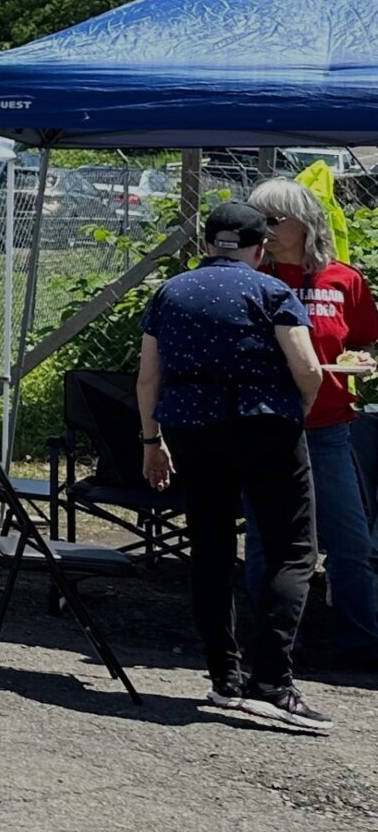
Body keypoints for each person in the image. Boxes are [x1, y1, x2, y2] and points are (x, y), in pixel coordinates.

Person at [138, 201, 331, 733]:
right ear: (259, 248)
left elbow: (149, 377)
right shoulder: (272, 292)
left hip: (190, 426)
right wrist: (299, 407)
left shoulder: (169, 292)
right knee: (292, 548)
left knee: (211, 545)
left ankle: (224, 676)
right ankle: (272, 681)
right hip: (264, 423)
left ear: (206, 244)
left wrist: (151, 441)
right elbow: (307, 367)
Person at [243, 178, 378, 672]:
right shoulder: (251, 277)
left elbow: (363, 340)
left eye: (274, 220)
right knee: (267, 539)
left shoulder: (344, 280)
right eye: (258, 221)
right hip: (268, 426)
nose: (265, 231)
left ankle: (359, 642)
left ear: (305, 224)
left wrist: (362, 359)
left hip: (328, 428)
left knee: (350, 542)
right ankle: (275, 643)